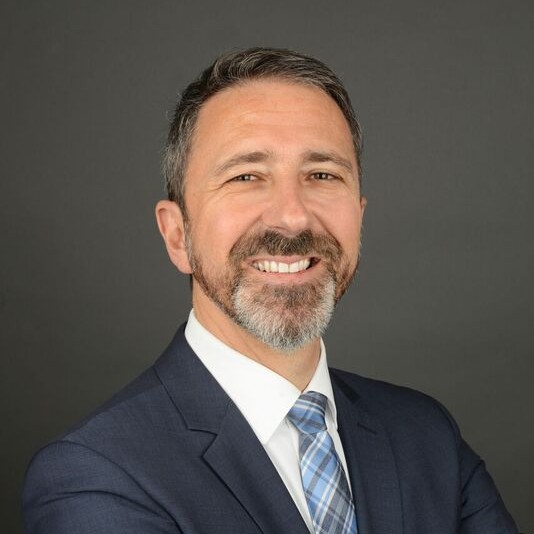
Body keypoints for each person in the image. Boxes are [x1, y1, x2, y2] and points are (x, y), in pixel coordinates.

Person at [22, 47, 518, 534]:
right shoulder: (97, 475)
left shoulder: (426, 436)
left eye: (322, 175)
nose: (292, 216)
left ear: (359, 216)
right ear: (178, 235)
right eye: (246, 176)